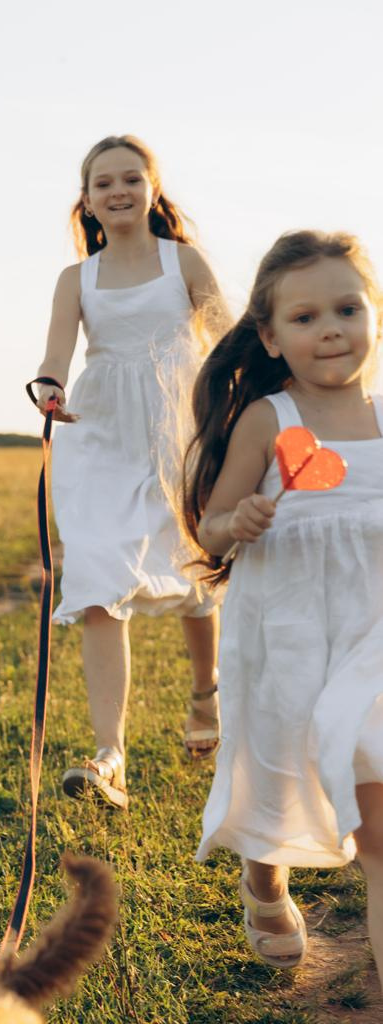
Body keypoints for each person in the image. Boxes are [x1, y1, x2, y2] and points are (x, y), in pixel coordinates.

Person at [182, 229, 383, 984]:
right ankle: (263, 879)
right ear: (268, 335)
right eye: (304, 318)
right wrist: (238, 522)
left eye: (345, 309)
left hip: (373, 643)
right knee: (277, 771)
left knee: (379, 836)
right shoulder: (269, 419)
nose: (329, 329)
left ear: (374, 316)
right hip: (289, 637)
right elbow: (211, 522)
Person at [34, 135, 230, 809]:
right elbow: (55, 353)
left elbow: (226, 335)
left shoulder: (184, 262)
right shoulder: (77, 278)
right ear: (85, 199)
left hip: (181, 424)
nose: (116, 191)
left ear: (152, 189)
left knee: (195, 570)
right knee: (95, 577)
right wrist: (48, 388)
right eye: (102, 183)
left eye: (129, 179)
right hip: (103, 433)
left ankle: (205, 694)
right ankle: (108, 755)